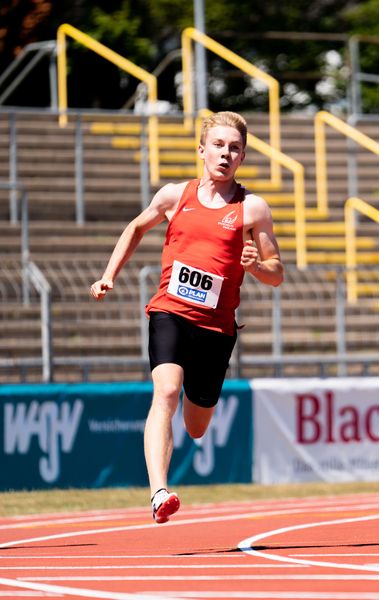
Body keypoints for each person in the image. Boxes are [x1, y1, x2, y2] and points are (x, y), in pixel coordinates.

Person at [90, 111, 284, 524]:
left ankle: (185, 435)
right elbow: (136, 229)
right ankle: (159, 491)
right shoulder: (175, 195)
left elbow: (276, 272)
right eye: (218, 145)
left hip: (216, 328)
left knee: (196, 426)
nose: (225, 154)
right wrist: (109, 275)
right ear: (202, 150)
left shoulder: (253, 209)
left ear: (243, 156)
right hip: (170, 312)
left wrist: (255, 266)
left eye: (234, 148)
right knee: (166, 391)